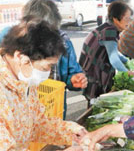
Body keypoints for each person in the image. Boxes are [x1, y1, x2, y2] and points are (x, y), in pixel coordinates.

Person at [0, 18, 86, 150]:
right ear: (21, 58)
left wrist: (73, 132)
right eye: (47, 66)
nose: (48, 72)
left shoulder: (25, 80)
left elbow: (37, 124)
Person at [0, 0, 88, 119]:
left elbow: (71, 74)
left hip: (53, 109)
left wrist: (73, 80)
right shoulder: (6, 39)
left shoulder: (64, 43)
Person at [79, 0, 134, 101]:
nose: (129, 22)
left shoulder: (108, 27)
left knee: (97, 104)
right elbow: (114, 59)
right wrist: (129, 73)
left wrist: (128, 62)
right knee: (95, 106)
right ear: (115, 19)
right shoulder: (109, 31)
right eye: (126, 18)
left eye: (130, 18)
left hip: (92, 72)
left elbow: (113, 51)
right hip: (93, 75)